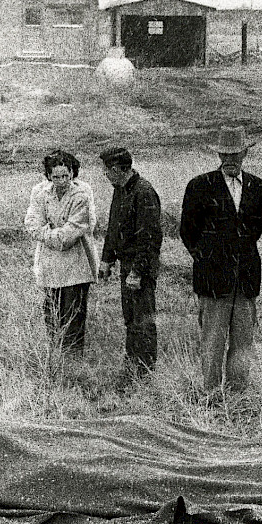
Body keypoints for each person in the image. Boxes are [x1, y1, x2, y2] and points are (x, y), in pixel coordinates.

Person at [180, 126, 262, 394]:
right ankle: (210, 396)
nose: (230, 159)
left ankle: (238, 398)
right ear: (218, 153)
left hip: (246, 278)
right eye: (225, 153)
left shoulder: (257, 186)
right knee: (213, 342)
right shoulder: (199, 185)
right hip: (212, 279)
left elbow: (255, 230)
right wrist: (208, 259)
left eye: (236, 153)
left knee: (243, 343)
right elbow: (187, 231)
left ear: (245, 153)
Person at [24, 149, 99, 354]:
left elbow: (73, 232)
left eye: (65, 175)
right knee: (52, 312)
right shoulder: (40, 192)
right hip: (49, 264)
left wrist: (48, 233)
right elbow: (31, 224)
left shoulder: (82, 193)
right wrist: (53, 235)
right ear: (48, 175)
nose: (61, 180)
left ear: (73, 173)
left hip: (77, 263)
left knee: (73, 313)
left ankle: (73, 358)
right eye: (56, 176)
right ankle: (56, 354)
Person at [98, 146, 163, 379]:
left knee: (143, 320)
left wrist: (137, 271)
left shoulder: (144, 192)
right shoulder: (120, 189)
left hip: (141, 268)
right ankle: (132, 367)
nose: (105, 174)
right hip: (127, 266)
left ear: (116, 169)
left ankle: (145, 372)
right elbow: (114, 228)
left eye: (106, 170)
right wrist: (106, 260)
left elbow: (150, 238)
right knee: (130, 319)